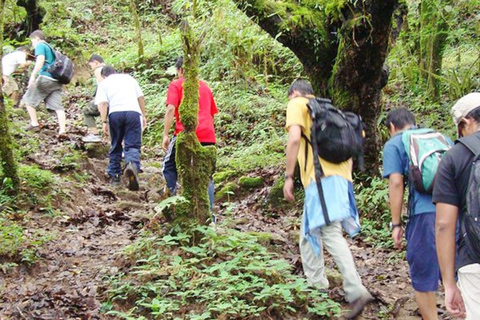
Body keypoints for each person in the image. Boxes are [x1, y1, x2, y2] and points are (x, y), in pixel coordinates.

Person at [282, 79, 372, 319]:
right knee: (308, 232)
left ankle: (355, 289)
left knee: (330, 231)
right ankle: (316, 287)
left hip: (321, 179)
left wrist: (289, 176)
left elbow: (293, 138)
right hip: (340, 179)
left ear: (296, 93)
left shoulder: (298, 103)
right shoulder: (330, 110)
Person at [383, 107, 448, 320]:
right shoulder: (440, 137)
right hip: (455, 212)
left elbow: (395, 182)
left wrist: (396, 224)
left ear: (392, 127)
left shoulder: (395, 144)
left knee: (423, 279)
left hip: (424, 215)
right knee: (460, 275)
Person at [433, 92, 480, 320]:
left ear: (466, 122)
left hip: (474, 260)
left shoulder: (454, 157)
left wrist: (449, 283)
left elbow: (443, 225)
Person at [162, 56, 217, 207]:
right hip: (208, 135)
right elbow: (211, 114)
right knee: (206, 175)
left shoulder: (177, 84)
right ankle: (209, 217)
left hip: (185, 133)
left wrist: (165, 135)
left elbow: (171, 108)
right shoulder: (205, 87)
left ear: (180, 70)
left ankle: (170, 204)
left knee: (169, 166)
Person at [94, 66, 146, 191]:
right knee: (132, 145)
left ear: (103, 76)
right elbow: (141, 98)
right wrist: (143, 115)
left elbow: (103, 104)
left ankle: (115, 176)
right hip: (133, 113)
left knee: (116, 144)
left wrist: (104, 121)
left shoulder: (104, 83)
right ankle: (132, 164)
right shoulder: (129, 79)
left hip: (115, 113)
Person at [21, 30, 66, 134]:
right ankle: (62, 130)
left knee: (28, 99)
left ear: (37, 38)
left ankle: (34, 124)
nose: (32, 44)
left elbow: (40, 60)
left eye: (32, 41)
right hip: (57, 80)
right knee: (58, 107)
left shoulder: (40, 45)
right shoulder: (50, 48)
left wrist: (33, 76)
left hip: (46, 78)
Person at [82, 54, 106, 143]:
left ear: (96, 62)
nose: (91, 68)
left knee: (87, 111)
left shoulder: (99, 70)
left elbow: (102, 86)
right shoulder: (110, 69)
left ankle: (94, 134)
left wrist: (99, 101)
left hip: (104, 100)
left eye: (91, 65)